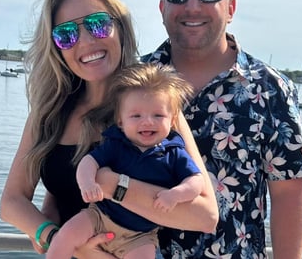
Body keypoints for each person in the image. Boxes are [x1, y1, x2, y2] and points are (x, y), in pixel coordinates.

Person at [0, 0, 218, 258]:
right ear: (56, 47)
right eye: (67, 34)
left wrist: (113, 185)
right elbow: (12, 201)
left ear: (121, 29)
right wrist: (53, 236)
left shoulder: (154, 110)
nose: (86, 41)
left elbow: (205, 216)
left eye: (98, 25)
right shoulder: (49, 113)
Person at [138, 0, 302, 258]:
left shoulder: (270, 89)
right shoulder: (133, 82)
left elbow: (289, 195)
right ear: (162, 7)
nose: (192, 6)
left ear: (230, 8)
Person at [47, 63, 204, 259]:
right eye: (136, 116)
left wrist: (176, 194)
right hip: (99, 217)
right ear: (120, 121)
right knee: (65, 236)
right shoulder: (116, 144)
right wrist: (87, 182)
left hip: (140, 235)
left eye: (158, 115)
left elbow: (197, 181)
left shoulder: (174, 153)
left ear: (172, 121)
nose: (147, 121)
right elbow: (88, 162)